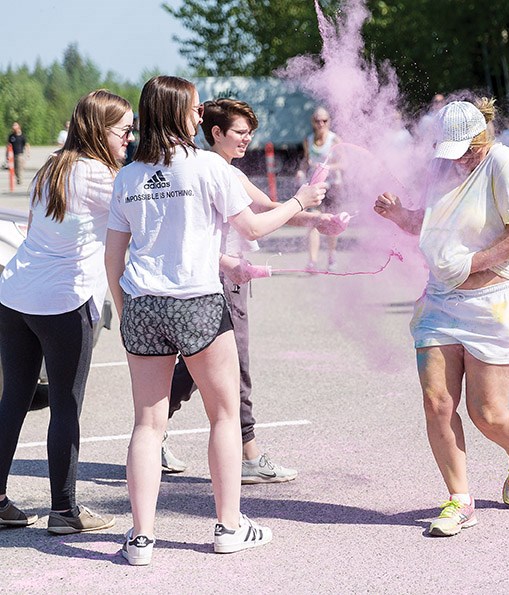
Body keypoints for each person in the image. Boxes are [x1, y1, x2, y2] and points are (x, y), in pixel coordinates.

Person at [104, 75, 324, 566]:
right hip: (197, 300)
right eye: (195, 108)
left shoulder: (128, 175)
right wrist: (299, 202)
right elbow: (252, 226)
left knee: (147, 423)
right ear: (178, 113)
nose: (200, 115)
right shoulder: (206, 166)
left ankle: (141, 539)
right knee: (223, 415)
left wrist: (127, 315)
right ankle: (228, 526)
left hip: (143, 304)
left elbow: (113, 259)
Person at [374, 99, 509, 537]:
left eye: (469, 150)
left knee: (487, 412)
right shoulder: (441, 168)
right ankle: (459, 499)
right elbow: (429, 225)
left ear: (484, 136)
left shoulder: (503, 163)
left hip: (495, 302)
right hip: (440, 303)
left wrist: (475, 264)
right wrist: (398, 216)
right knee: (437, 402)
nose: (462, 159)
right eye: (455, 152)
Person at [162, 97, 346, 482]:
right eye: (240, 133)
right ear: (216, 133)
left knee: (197, 369)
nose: (247, 140)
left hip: (228, 279)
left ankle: (154, 427)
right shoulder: (213, 170)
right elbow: (256, 226)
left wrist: (315, 219)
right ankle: (247, 454)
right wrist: (302, 202)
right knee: (234, 368)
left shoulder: (227, 170)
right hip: (220, 281)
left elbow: (267, 209)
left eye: (250, 133)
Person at [0, 90, 132, 534]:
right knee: (65, 405)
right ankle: (65, 511)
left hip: (15, 296)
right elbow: (145, 212)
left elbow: (35, 229)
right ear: (99, 129)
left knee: (13, 399)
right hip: (62, 303)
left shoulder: (51, 166)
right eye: (123, 131)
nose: (129, 140)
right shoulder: (99, 175)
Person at [295, 106, 343, 272]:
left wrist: (327, 166)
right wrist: (301, 170)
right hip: (315, 186)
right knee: (313, 221)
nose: (321, 123)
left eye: (324, 120)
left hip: (332, 186)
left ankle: (331, 255)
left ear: (329, 122)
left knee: (331, 223)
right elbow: (306, 160)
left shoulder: (335, 140)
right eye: (317, 120)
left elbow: (345, 163)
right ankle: (312, 261)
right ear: (313, 122)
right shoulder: (308, 140)